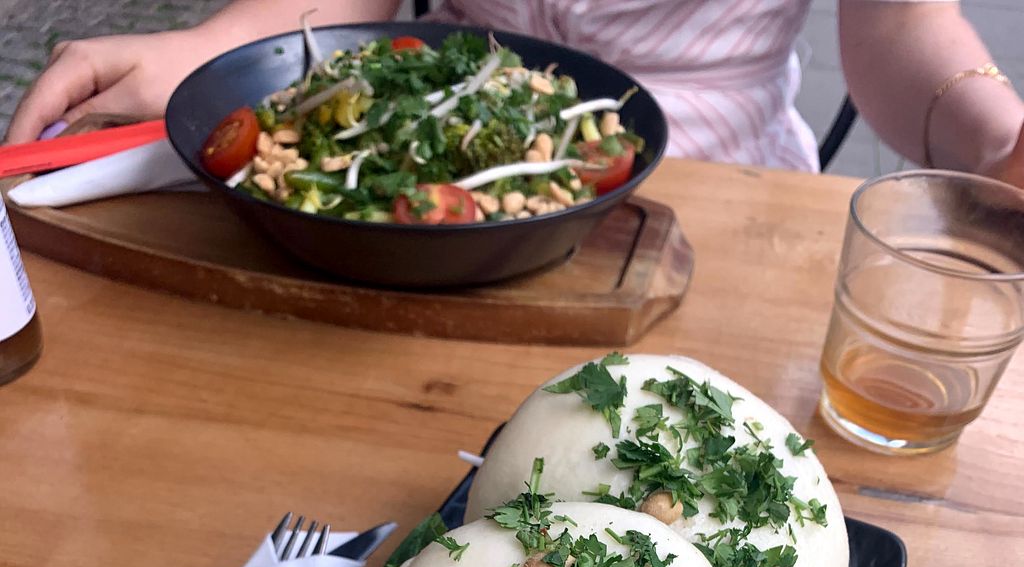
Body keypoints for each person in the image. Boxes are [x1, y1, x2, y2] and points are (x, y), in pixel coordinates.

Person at [6, 0, 1024, 185]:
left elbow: (898, 26)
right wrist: (217, 52)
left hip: (715, 189)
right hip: (428, 159)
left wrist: (994, 139)